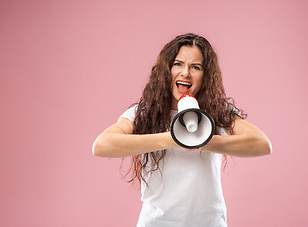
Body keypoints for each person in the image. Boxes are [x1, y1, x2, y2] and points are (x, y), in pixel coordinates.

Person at [92, 33, 272, 227]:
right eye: (178, 64)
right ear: (166, 70)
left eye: (195, 67)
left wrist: (205, 141)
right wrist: (172, 139)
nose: (185, 73)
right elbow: (102, 145)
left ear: (205, 76)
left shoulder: (217, 111)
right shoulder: (143, 113)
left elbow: (261, 144)